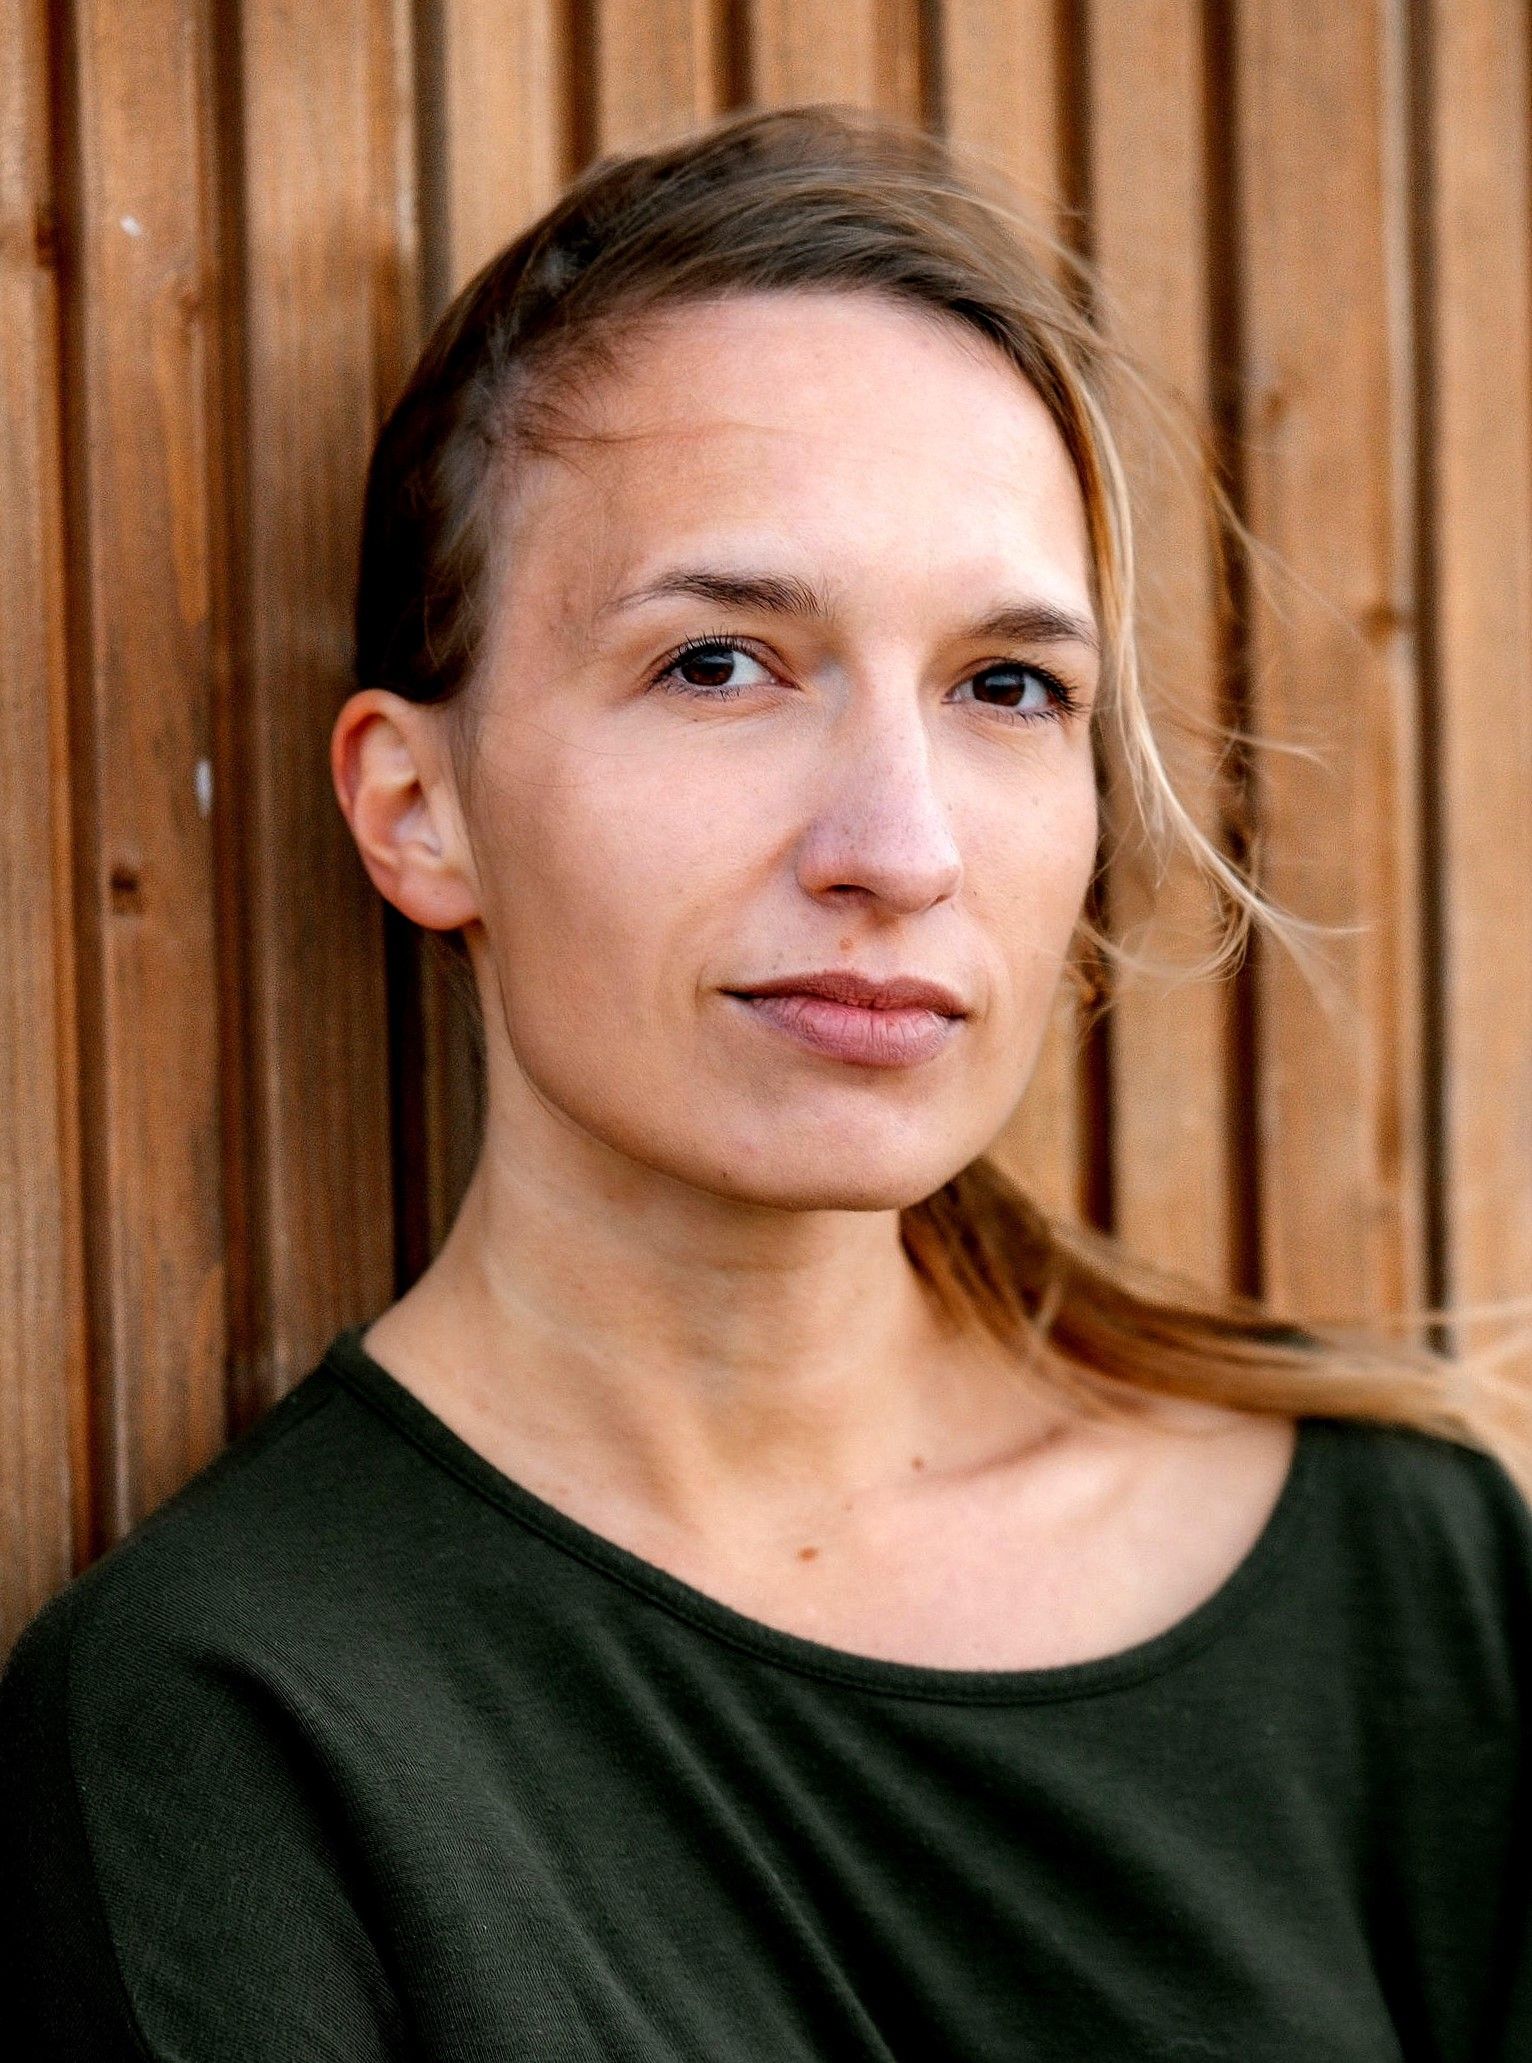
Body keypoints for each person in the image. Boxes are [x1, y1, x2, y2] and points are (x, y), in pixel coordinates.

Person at [3, 101, 1530, 2062]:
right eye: (720, 663)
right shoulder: (236, 1724)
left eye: (1007, 688)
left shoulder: (1397, 1577)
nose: (899, 848)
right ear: (416, 807)